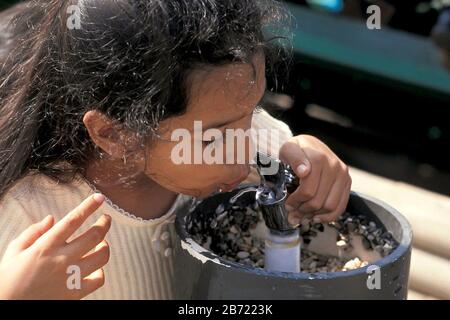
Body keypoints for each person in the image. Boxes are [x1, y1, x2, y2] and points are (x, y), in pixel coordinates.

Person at [0, 0, 351, 299]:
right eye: (213, 140)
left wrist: (309, 154)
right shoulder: (32, 222)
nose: (247, 153)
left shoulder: (232, 127)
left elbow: (290, 153)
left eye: (252, 112)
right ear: (114, 134)